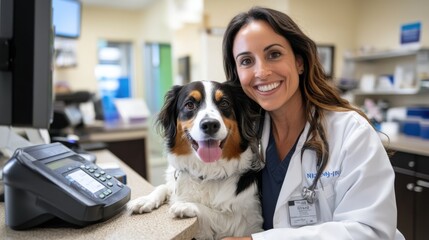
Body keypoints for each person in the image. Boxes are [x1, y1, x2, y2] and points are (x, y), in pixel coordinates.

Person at [221, 6, 405, 240]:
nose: (262, 71)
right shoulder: (246, 136)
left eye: (274, 54)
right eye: (246, 60)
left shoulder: (351, 132)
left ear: (299, 62)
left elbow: (371, 232)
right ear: (237, 73)